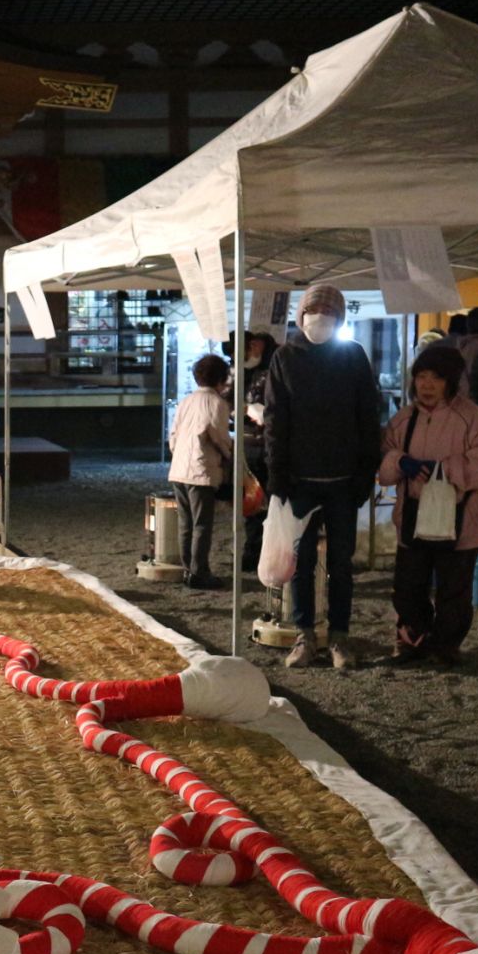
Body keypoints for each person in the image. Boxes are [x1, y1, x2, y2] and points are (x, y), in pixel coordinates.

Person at [265, 284, 383, 670]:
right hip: (299, 481)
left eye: (329, 314)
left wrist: (366, 473)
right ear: (300, 316)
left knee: (341, 564)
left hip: (343, 481)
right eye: (314, 312)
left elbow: (368, 417)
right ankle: (304, 636)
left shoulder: (352, 356)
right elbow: (274, 421)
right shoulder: (285, 357)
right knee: (299, 563)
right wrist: (277, 475)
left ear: (341, 319)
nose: (321, 319)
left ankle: (340, 637)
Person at [377, 346, 478, 668]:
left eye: (436, 378)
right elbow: (385, 464)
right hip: (413, 515)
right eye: (421, 377)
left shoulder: (474, 419)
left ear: (451, 382)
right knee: (408, 585)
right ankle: (410, 640)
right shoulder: (403, 420)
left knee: (453, 588)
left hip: (462, 517)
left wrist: (443, 470)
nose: (427, 384)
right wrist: (399, 461)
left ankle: (445, 646)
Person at [169, 354, 235, 589]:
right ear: (220, 379)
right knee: (202, 524)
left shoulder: (186, 401)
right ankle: (199, 572)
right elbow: (219, 437)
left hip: (178, 469)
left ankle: (188, 569)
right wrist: (230, 455)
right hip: (201, 469)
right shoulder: (218, 403)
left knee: (185, 523)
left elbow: (173, 436)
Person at [239, 330, 278, 571]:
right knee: (251, 501)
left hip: (267, 446)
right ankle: (252, 550)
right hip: (248, 446)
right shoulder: (245, 373)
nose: (251, 352)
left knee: (269, 501)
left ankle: (264, 551)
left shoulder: (274, 373)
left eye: (255, 347)